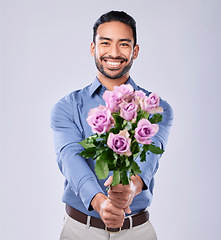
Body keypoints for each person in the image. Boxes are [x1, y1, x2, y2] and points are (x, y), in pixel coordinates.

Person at [50, 10, 173, 240]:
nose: (114, 53)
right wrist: (100, 203)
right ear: (93, 48)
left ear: (135, 51)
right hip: (80, 231)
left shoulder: (157, 108)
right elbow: (70, 159)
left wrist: (130, 190)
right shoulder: (67, 107)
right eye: (105, 43)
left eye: (124, 44)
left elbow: (149, 162)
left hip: (137, 231)